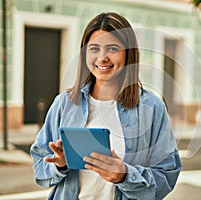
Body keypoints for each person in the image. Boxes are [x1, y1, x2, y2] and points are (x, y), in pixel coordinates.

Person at [30, 12, 181, 200]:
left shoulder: (152, 108)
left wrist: (125, 175)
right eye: (94, 48)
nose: (102, 58)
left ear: (128, 53)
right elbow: (40, 167)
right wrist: (59, 165)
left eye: (112, 49)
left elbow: (167, 175)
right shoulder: (65, 104)